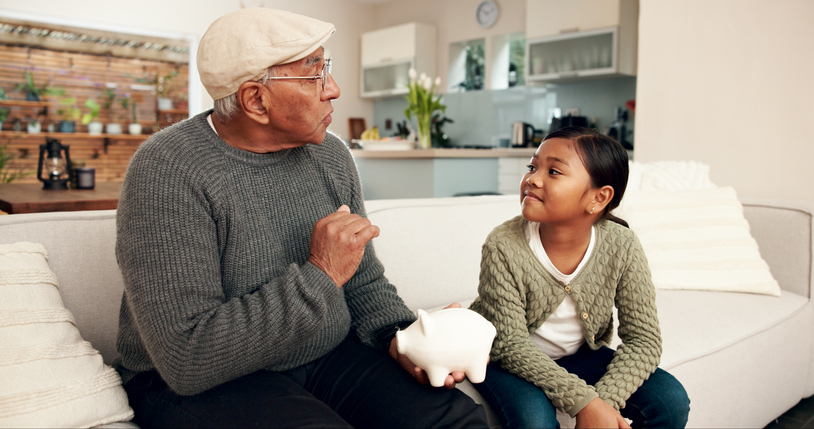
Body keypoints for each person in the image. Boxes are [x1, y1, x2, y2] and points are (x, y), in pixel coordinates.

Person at [113, 8, 487, 428]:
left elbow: (362, 279)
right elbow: (188, 358)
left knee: (458, 421)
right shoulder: (168, 170)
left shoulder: (329, 154)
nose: (334, 89)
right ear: (256, 99)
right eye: (314, 74)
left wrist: (400, 340)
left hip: (326, 354)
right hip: (198, 382)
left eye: (326, 67)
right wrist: (321, 272)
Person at [469, 127, 690, 428]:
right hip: (505, 359)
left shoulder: (622, 245)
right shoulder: (503, 245)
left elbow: (644, 340)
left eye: (554, 171)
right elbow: (510, 344)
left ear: (599, 198)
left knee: (670, 400)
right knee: (535, 421)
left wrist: (603, 402)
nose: (532, 178)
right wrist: (582, 402)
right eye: (532, 167)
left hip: (579, 356)